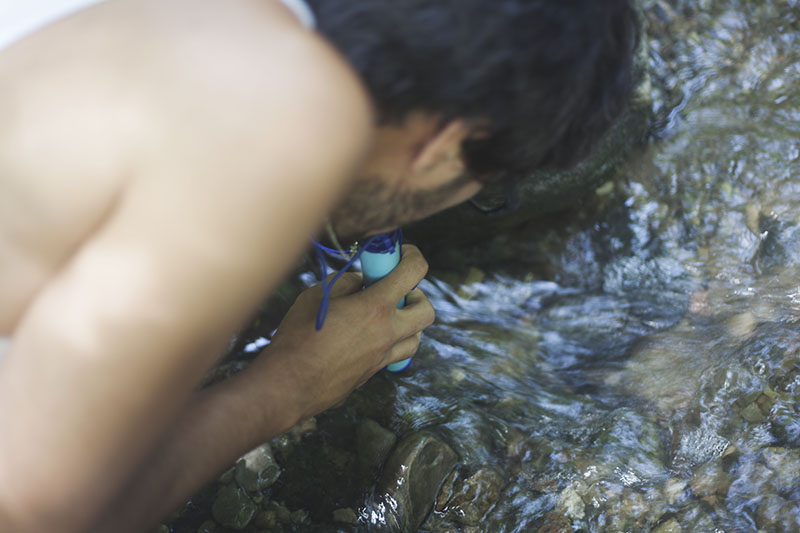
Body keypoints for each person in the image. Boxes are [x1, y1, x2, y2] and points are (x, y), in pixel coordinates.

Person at [0, 0, 638, 530]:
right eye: (488, 181)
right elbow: (38, 514)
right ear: (446, 143)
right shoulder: (292, 114)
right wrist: (284, 388)